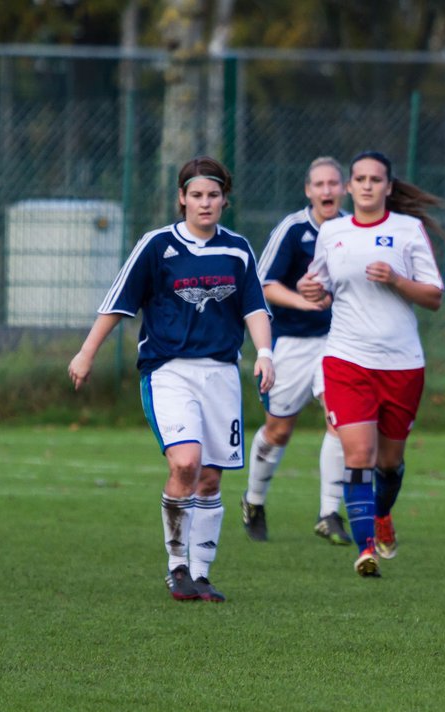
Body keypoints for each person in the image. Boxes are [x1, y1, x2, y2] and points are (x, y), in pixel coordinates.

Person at [68, 155, 274, 603]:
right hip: (168, 371)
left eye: (213, 195)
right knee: (185, 463)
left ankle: (201, 574)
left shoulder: (237, 249)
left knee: (211, 480)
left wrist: (266, 353)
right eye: (196, 195)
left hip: (221, 374)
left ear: (225, 200)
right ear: (181, 198)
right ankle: (177, 567)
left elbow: (255, 307)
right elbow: (119, 301)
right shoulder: (157, 245)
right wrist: (87, 352)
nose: (205, 203)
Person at [296, 150, 445, 579]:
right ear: (348, 186)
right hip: (346, 359)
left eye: (374, 179)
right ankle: (365, 549)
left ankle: (382, 514)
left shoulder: (408, 230)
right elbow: (320, 289)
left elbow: (434, 297)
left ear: (388, 187)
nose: (365, 185)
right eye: (358, 178)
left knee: (388, 463)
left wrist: (397, 280)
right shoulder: (333, 232)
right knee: (358, 453)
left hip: (401, 366)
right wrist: (311, 291)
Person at [241, 156, 352, 546]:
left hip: (339, 342)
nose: (327, 191)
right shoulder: (292, 229)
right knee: (278, 430)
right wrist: (305, 302)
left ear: (345, 188)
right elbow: (262, 284)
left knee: (339, 422)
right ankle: (253, 501)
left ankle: (328, 513)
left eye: (333, 183)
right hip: (290, 342)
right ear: (308, 190)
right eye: (319, 184)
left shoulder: (352, 231)